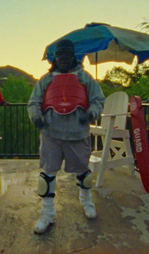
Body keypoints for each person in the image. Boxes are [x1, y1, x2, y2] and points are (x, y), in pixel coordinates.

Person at [27, 39, 105, 234]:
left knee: (83, 172)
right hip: (51, 133)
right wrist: (36, 117)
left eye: (66, 55)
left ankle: (86, 202)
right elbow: (34, 102)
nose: (63, 59)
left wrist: (92, 113)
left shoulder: (85, 77)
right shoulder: (45, 80)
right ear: (55, 58)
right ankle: (47, 214)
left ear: (73, 56)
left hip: (78, 133)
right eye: (59, 55)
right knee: (47, 175)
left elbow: (98, 100)